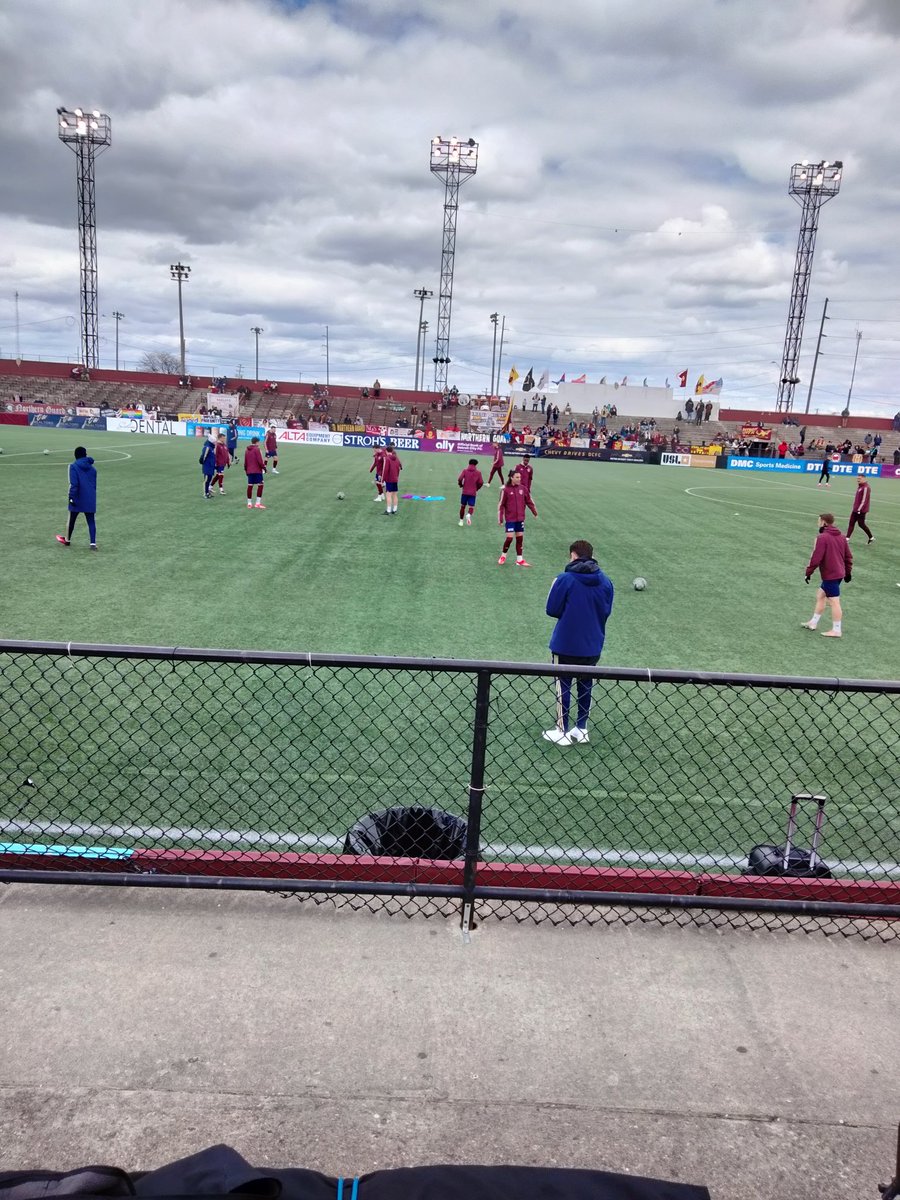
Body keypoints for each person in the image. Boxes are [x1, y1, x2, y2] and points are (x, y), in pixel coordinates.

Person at [542, 540, 614, 745]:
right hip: (592, 643)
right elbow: (606, 611)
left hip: (565, 642)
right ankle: (581, 729)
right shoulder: (606, 581)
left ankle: (561, 730)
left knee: (562, 685)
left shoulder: (565, 578)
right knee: (586, 684)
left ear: (573, 555)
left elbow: (552, 609)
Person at [803, 513, 852, 638]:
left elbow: (816, 558)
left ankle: (836, 630)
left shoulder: (823, 538)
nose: (817, 523)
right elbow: (848, 557)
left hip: (831, 574)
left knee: (834, 602)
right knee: (821, 595)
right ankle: (813, 623)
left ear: (824, 522)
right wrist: (848, 572)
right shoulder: (841, 537)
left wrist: (808, 572)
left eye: (819, 521)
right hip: (838, 573)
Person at [55, 446, 98, 550]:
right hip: (90, 497)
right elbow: (94, 485)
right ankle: (93, 544)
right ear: (85, 455)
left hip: (78, 497)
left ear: (75, 456)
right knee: (91, 521)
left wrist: (71, 497)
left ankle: (67, 540)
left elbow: (74, 484)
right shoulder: (93, 469)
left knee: (71, 520)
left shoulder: (73, 466)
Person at [497, 468, 538, 566]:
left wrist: (534, 512)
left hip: (520, 519)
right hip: (510, 519)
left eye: (520, 477)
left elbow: (529, 501)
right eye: (517, 477)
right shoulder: (505, 490)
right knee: (510, 538)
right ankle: (503, 556)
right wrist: (500, 518)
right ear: (511, 478)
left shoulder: (523, 489)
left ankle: (519, 560)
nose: (519, 479)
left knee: (520, 539)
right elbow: (501, 505)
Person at [846, 477, 874, 544]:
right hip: (856, 509)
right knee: (851, 523)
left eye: (860, 478)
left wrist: (859, 509)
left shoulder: (866, 488)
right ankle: (847, 538)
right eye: (857, 478)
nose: (858, 480)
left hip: (861, 510)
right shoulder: (860, 487)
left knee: (861, 524)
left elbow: (864, 500)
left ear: (864, 479)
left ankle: (871, 537)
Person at [457, 458, 484, 526]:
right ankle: (469, 514)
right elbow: (481, 482)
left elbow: (460, 479)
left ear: (469, 464)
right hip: (472, 493)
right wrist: (477, 488)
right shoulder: (478, 472)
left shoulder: (465, 471)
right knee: (471, 507)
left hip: (465, 492)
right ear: (476, 465)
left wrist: (460, 485)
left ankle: (461, 521)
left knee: (463, 506)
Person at [243, 436, 266, 508]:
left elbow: (245, 461)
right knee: (260, 485)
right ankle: (257, 503)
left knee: (250, 485)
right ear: (257, 442)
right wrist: (264, 467)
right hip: (257, 470)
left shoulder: (247, 450)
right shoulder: (257, 449)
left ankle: (249, 503)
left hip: (249, 470)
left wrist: (246, 470)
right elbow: (260, 460)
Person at [381, 445, 402, 514]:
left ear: (386, 451)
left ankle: (388, 510)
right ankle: (395, 509)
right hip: (395, 478)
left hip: (389, 479)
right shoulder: (396, 458)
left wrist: (382, 480)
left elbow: (385, 470)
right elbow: (400, 467)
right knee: (395, 495)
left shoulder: (387, 459)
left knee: (388, 495)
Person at [199, 429, 217, 498]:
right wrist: (204, 463)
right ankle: (205, 493)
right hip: (207, 467)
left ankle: (208, 492)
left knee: (209, 480)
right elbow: (203, 457)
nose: (215, 443)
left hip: (211, 467)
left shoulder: (211, 448)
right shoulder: (207, 448)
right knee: (206, 480)